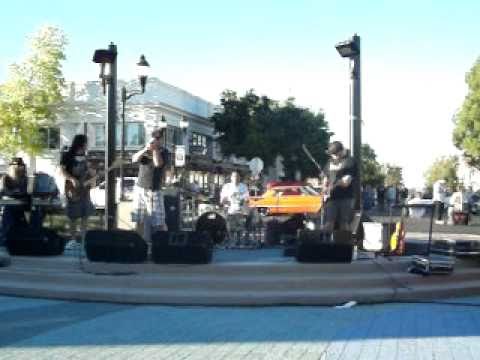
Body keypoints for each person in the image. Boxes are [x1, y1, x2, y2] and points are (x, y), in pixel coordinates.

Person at [132, 128, 169, 249]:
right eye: (153, 137)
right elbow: (134, 159)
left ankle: (162, 246)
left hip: (154, 190)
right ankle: (137, 245)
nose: (155, 140)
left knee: (159, 221)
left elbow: (158, 164)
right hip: (140, 188)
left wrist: (154, 150)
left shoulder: (164, 151)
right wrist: (145, 149)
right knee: (138, 218)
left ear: (162, 139)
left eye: (158, 138)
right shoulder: (145, 150)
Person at [59, 134, 96, 249]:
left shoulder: (86, 157)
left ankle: (84, 239)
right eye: (86, 142)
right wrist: (72, 179)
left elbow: (91, 173)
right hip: (72, 189)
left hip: (85, 189)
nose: (87, 145)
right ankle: (73, 239)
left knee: (85, 214)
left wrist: (93, 175)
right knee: (73, 215)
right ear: (81, 143)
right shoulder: (67, 156)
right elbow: (61, 171)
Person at [321, 141, 357, 233]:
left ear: (340, 152)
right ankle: (326, 244)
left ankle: (345, 244)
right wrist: (325, 186)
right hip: (332, 198)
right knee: (329, 222)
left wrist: (334, 184)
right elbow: (325, 176)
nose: (333, 156)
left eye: (335, 154)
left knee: (344, 223)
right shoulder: (329, 162)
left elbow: (346, 182)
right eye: (332, 154)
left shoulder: (349, 161)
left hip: (346, 197)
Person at [0, 157, 29, 266]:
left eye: (20, 165)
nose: (18, 167)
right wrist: (13, 192)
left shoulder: (24, 178)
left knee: (32, 212)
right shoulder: (5, 178)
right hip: (8, 205)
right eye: (16, 165)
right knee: (8, 214)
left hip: (20, 205)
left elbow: (25, 192)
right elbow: (3, 191)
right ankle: (2, 241)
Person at [220, 171, 250, 244]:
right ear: (231, 178)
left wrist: (242, 203)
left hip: (240, 210)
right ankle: (231, 240)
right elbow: (222, 199)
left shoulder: (243, 186)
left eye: (237, 177)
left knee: (240, 226)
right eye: (234, 176)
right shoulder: (227, 186)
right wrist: (226, 202)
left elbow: (247, 198)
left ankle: (239, 241)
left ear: (240, 178)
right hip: (230, 210)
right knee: (230, 227)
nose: (236, 178)